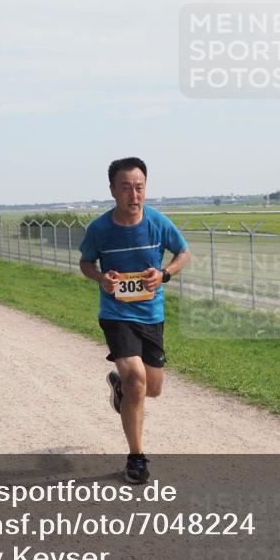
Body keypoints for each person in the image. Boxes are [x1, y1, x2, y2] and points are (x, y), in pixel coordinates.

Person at [78, 157, 191, 483]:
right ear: (113, 190)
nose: (133, 194)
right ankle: (137, 458)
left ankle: (120, 387)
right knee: (137, 379)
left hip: (151, 315)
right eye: (125, 187)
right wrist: (102, 279)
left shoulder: (158, 223)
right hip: (116, 314)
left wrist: (165, 273)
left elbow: (184, 252)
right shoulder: (100, 229)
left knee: (151, 389)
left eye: (139, 187)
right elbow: (86, 263)